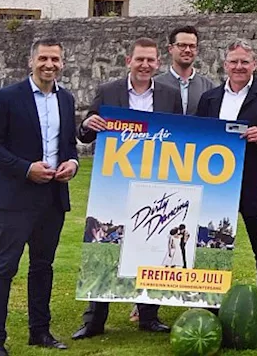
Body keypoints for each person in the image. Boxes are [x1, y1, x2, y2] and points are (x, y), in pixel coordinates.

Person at [73, 37, 182, 339]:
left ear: (158, 63)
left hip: (155, 182)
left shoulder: (170, 95)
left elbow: (180, 135)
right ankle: (94, 320)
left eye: (150, 60)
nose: (145, 65)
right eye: (140, 60)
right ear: (128, 62)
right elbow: (85, 134)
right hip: (116, 182)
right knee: (105, 247)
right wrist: (87, 125)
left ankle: (148, 314)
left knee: (152, 245)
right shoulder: (108, 92)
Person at [0, 39, 79, 356]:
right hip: (15, 198)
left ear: (62, 63)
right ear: (31, 61)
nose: (49, 64)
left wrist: (72, 164)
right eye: (43, 58)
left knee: (43, 266)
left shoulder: (66, 99)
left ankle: (40, 332)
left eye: (55, 59)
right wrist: (26, 169)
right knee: (4, 268)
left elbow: (67, 144)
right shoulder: (8, 97)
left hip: (52, 198)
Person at [195, 39, 257, 335]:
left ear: (255, 65)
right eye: (234, 62)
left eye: (244, 62)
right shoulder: (210, 99)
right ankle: (207, 305)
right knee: (210, 249)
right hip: (217, 187)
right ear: (225, 65)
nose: (239, 67)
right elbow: (197, 136)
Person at [156, 25, 217, 115]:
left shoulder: (208, 87)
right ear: (170, 49)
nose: (187, 50)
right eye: (182, 45)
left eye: (192, 46)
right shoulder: (156, 85)